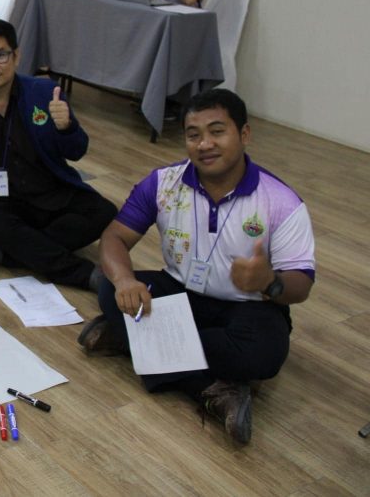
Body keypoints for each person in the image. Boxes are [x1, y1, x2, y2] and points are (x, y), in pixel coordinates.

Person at [79, 89, 315, 445]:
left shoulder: (281, 201)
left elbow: (302, 285)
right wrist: (125, 280)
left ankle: (132, 342)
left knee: (265, 352)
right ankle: (211, 390)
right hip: (179, 292)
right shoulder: (163, 183)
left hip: (247, 307)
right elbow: (114, 237)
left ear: (244, 134)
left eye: (217, 131)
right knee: (111, 289)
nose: (205, 144)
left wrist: (270, 281)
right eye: (194, 135)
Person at [0, 18, 117, 289]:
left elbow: (77, 151)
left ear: (16, 56)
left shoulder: (45, 93)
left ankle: (6, 253)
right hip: (5, 205)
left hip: (54, 193)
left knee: (104, 212)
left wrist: (67, 127)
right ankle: (87, 276)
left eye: (0, 55)